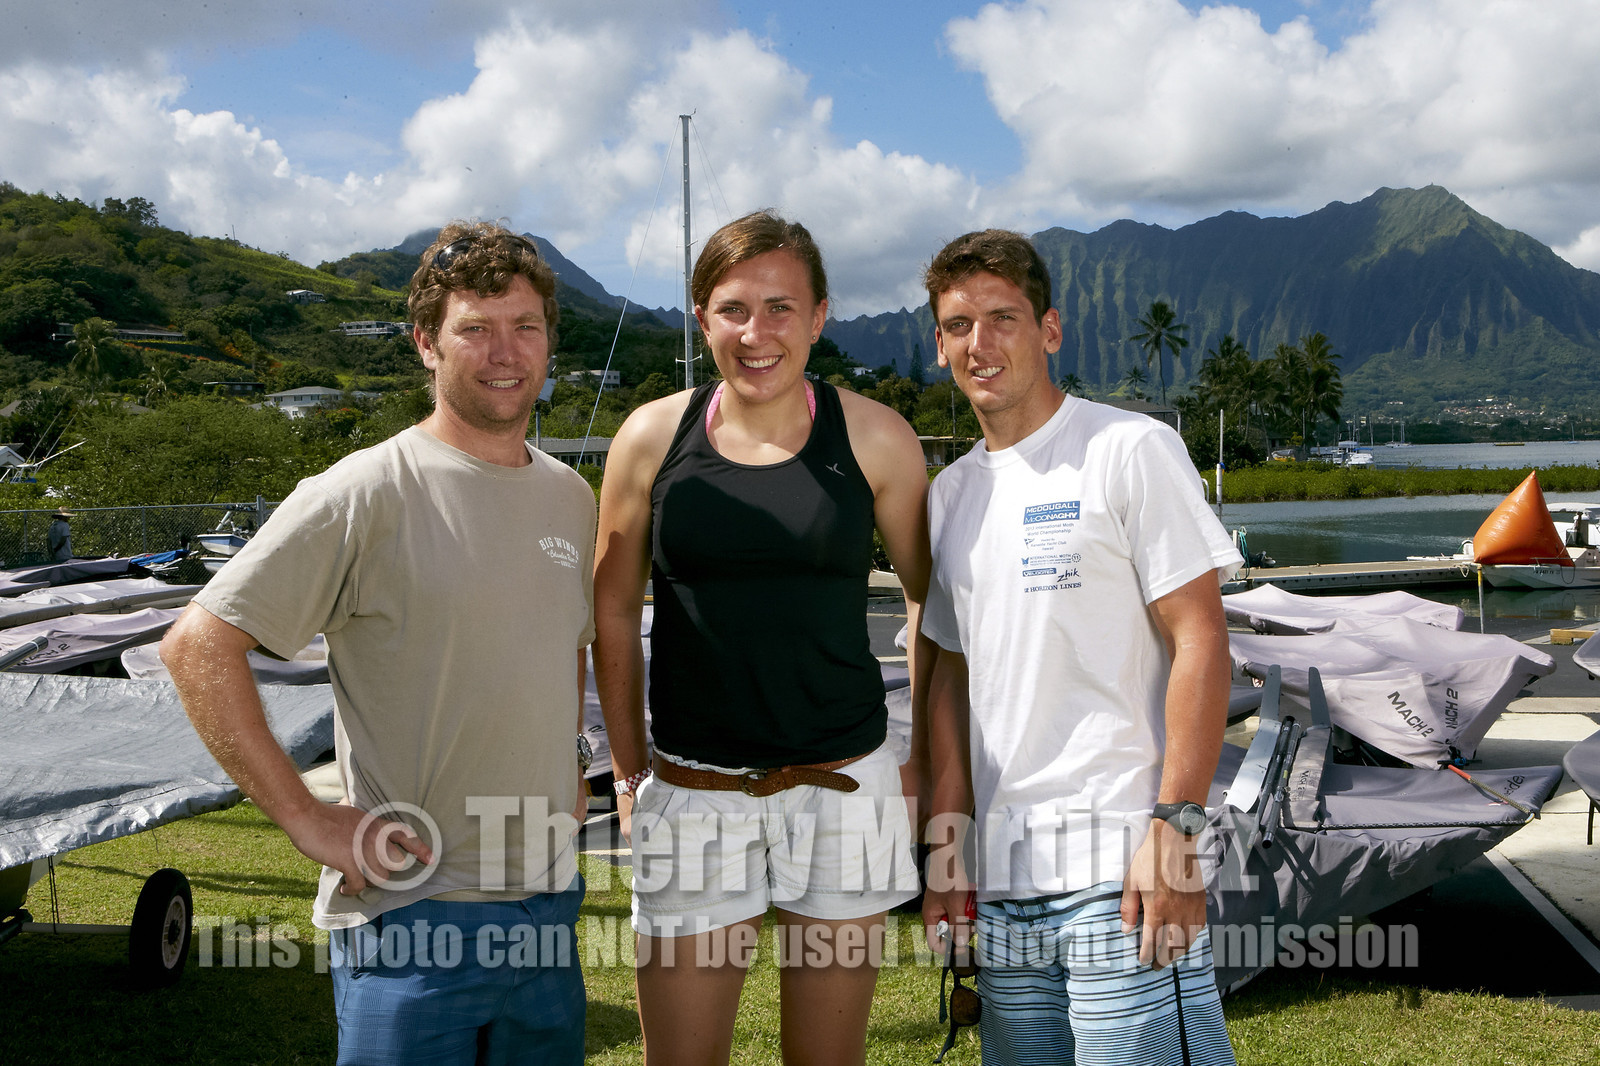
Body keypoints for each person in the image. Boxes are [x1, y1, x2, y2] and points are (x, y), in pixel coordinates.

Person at [162, 221, 596, 1065]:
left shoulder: (569, 496)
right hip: (412, 914)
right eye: (475, 328)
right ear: (426, 344)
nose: (505, 351)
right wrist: (304, 817)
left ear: (549, 339)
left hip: (549, 908)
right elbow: (196, 645)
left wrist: (575, 763)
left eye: (525, 326)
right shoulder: (365, 490)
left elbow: (558, 644)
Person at [593, 211, 932, 1065]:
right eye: (733, 308)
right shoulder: (648, 438)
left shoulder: (876, 437)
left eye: (781, 307)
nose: (757, 332)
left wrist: (919, 755)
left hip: (843, 790)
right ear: (701, 317)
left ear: (820, 316)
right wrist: (630, 769)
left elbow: (934, 607)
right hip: (692, 788)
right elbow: (608, 611)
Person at [917, 230, 1241, 1065]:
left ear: (1050, 330)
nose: (979, 345)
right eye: (958, 326)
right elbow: (948, 682)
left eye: (1002, 319)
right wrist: (947, 848)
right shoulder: (948, 498)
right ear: (940, 342)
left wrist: (1175, 828)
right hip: (1004, 884)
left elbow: (1202, 637)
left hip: (1119, 870)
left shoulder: (1127, 449)